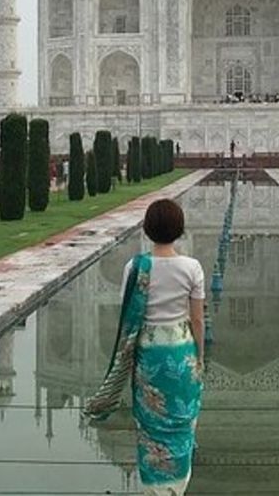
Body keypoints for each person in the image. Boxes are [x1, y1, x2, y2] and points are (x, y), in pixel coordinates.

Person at [85, 198, 205, 494]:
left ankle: (155, 487)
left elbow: (128, 311)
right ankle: (177, 486)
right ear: (180, 230)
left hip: (148, 355)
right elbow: (198, 320)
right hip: (182, 351)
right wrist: (199, 356)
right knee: (181, 420)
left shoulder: (135, 266)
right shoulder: (192, 267)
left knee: (151, 424)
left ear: (147, 230)